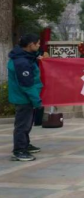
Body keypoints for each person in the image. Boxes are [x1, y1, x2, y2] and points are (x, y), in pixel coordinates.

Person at [7, 34, 42, 162]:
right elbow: (27, 85)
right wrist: (37, 101)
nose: (39, 46)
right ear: (31, 45)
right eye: (38, 44)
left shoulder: (25, 58)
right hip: (23, 98)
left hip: (26, 98)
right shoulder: (22, 63)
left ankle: (25, 144)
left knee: (27, 124)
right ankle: (19, 150)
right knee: (22, 125)